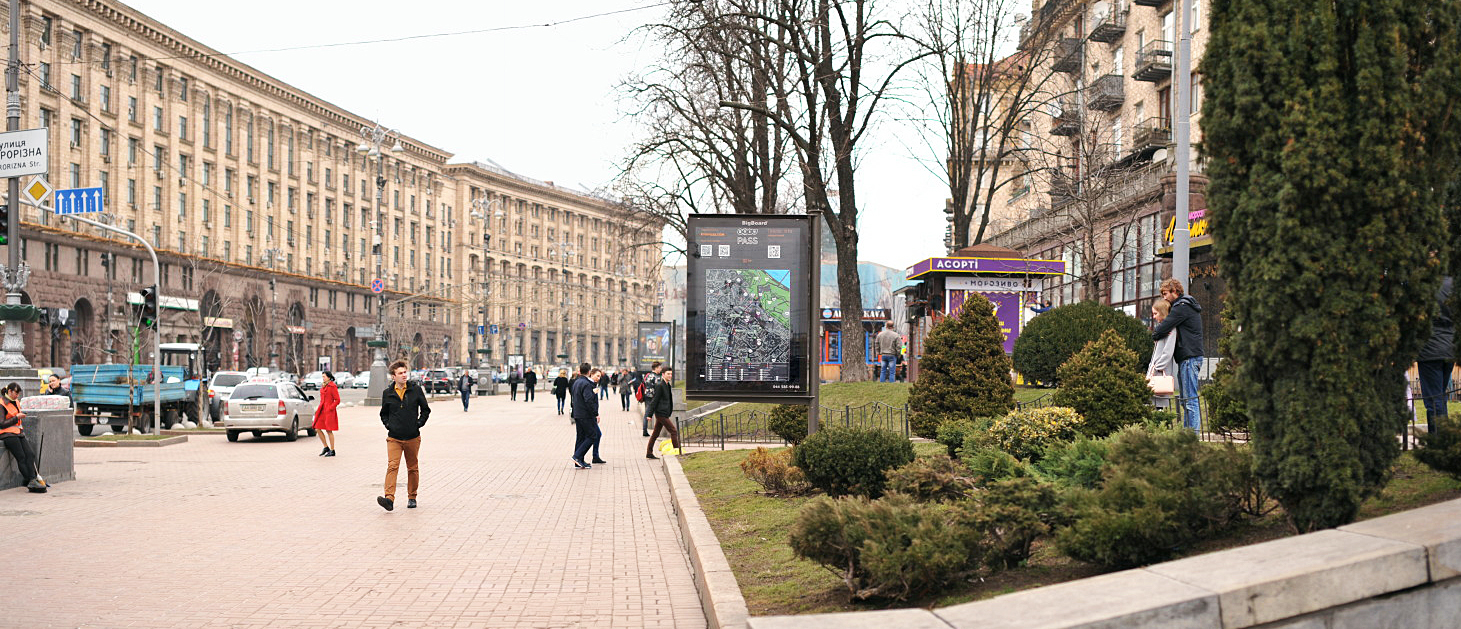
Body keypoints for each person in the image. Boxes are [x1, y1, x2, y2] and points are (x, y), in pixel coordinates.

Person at [1151, 279, 1204, 432]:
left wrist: (1156, 333)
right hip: (1188, 357)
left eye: (1165, 293)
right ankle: (1188, 433)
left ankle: (1191, 436)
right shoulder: (1184, 305)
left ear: (1175, 291)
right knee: (1186, 399)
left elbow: (1161, 329)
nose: (1164, 297)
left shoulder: (1181, 307)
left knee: (1189, 400)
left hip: (1189, 357)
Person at [378, 360, 431, 511]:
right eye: (400, 373)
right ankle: (389, 499)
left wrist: (418, 424)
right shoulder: (387, 393)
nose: (404, 375)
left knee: (412, 468)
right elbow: (383, 414)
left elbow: (426, 410)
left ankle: (412, 496)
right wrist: (389, 425)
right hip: (394, 437)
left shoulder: (415, 390)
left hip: (412, 437)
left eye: (405, 372)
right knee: (392, 466)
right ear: (393, 376)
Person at [1418, 276, 1454, 432]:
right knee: (1440, 396)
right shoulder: (1453, 285)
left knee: (1433, 400)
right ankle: (1444, 436)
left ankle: (1438, 439)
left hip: (1430, 347)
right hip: (1450, 345)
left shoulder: (1426, 284)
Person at [0, 383, 45, 492]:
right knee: (21, 457)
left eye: (18, 393)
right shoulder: (1, 404)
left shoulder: (16, 402)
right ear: (9, 391)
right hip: (7, 434)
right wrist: (16, 418)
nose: (17, 396)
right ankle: (31, 480)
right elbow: (1, 424)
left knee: (30, 454)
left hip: (18, 432)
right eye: (16, 393)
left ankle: (32, 478)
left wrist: (18, 417)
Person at [1147, 299, 1177, 411]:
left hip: (1160, 370)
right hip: (1155, 369)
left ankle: (1160, 424)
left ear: (1163, 312)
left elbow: (1168, 352)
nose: (1154, 316)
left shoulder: (1171, 329)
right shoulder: (1162, 329)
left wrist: (1158, 366)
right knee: (1154, 401)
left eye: (1156, 313)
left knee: (1159, 400)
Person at [645, 367, 681, 460]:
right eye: (668, 374)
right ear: (663, 374)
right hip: (661, 413)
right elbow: (654, 400)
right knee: (673, 431)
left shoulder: (667, 385)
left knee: (655, 434)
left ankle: (649, 452)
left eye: (671, 374)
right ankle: (677, 452)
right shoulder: (660, 385)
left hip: (665, 412)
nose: (670, 375)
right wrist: (649, 414)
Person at [570, 363, 600, 469]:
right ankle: (577, 456)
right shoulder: (586, 384)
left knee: (581, 437)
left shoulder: (577, 382)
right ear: (589, 372)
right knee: (592, 436)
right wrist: (595, 413)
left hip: (577, 413)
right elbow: (588, 400)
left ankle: (578, 460)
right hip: (585, 414)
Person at [313, 371, 341, 457]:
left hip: (329, 411)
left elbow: (337, 400)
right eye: (322, 376)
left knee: (329, 430)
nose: (323, 378)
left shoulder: (332, 386)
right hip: (322, 410)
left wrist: (330, 408)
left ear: (329, 377)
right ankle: (326, 447)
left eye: (324, 376)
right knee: (317, 428)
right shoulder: (323, 385)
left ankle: (332, 450)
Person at [640, 361, 663, 437]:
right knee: (657, 413)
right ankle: (657, 431)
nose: (660, 369)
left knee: (647, 413)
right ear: (656, 368)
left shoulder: (648, 375)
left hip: (647, 395)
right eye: (659, 368)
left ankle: (644, 430)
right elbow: (658, 387)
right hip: (654, 397)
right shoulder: (657, 377)